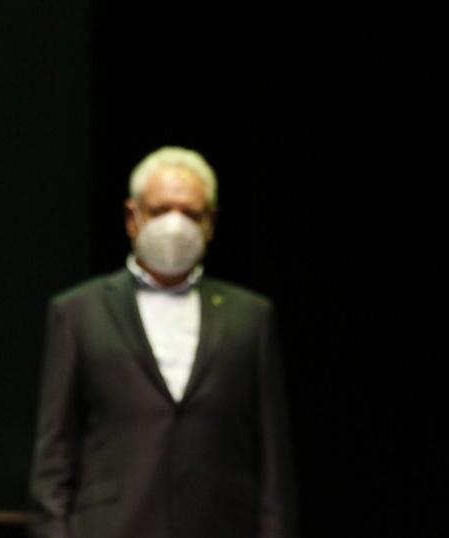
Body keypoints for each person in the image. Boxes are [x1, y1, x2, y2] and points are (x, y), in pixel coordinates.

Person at [29, 147, 297, 538]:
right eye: (160, 210)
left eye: (190, 213)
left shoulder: (250, 316)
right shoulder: (77, 312)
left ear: (211, 222)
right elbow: (54, 457)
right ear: (132, 217)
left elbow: (273, 458)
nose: (175, 224)